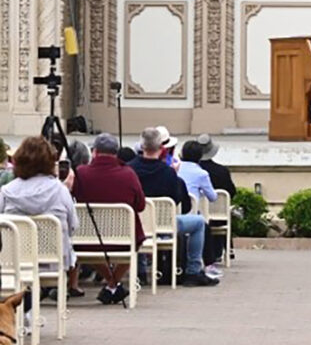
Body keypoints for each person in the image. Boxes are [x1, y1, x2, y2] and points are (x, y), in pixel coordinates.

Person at [129, 127, 218, 287]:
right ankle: (193, 271)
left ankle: (140, 272)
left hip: (136, 223)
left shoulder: (129, 169)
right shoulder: (168, 173)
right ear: (161, 148)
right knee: (198, 222)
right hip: (165, 225)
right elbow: (182, 204)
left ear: (141, 147)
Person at [73, 133, 146, 304]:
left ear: (95, 152)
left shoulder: (81, 173)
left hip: (87, 239)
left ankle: (112, 285)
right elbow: (140, 205)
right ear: (116, 153)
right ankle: (113, 285)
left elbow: (73, 196)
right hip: (123, 240)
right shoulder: (128, 174)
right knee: (135, 238)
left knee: (90, 250)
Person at [0, 136, 77, 274]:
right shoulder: (60, 190)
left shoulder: (6, 192)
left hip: (15, 262)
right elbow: (73, 226)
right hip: (54, 263)